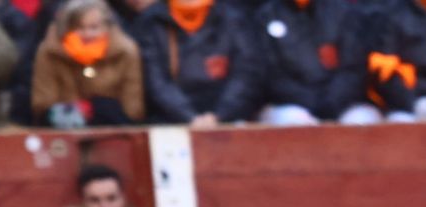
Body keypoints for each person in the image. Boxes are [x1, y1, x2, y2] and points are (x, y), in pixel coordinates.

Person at [133, 0, 263, 127]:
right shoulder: (153, 20)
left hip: (230, 117)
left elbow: (246, 73)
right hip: (170, 120)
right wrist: (189, 117)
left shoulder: (233, 17)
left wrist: (218, 116)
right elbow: (156, 81)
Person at [251, 0, 381, 126]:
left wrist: (331, 101)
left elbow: (355, 67)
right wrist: (310, 100)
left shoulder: (344, 11)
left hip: (343, 103)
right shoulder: (266, 15)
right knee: (296, 122)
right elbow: (270, 74)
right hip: (289, 105)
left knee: (363, 121)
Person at [31, 0, 144, 127]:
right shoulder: (49, 52)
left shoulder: (125, 52)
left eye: (94, 27)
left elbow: (133, 109)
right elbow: (42, 103)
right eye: (79, 27)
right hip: (62, 133)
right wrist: (74, 112)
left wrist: (103, 110)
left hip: (112, 130)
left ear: (107, 27)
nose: (87, 34)